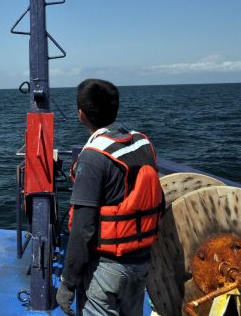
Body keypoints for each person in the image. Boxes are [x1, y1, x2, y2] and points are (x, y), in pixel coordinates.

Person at [57, 79, 164, 316]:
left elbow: (83, 228)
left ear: (81, 114)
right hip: (141, 263)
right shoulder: (142, 142)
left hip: (106, 271)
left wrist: (68, 282)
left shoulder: (93, 157)